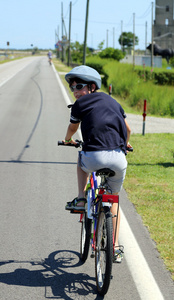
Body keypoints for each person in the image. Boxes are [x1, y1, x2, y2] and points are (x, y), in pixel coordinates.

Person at [63, 65, 131, 262]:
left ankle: (81, 198)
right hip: (119, 157)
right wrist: (126, 143)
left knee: (81, 161)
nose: (76, 91)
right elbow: (128, 129)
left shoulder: (80, 105)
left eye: (80, 86)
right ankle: (115, 246)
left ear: (92, 87)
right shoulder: (114, 101)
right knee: (113, 199)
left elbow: (72, 127)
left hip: (94, 157)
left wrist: (67, 140)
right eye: (73, 88)